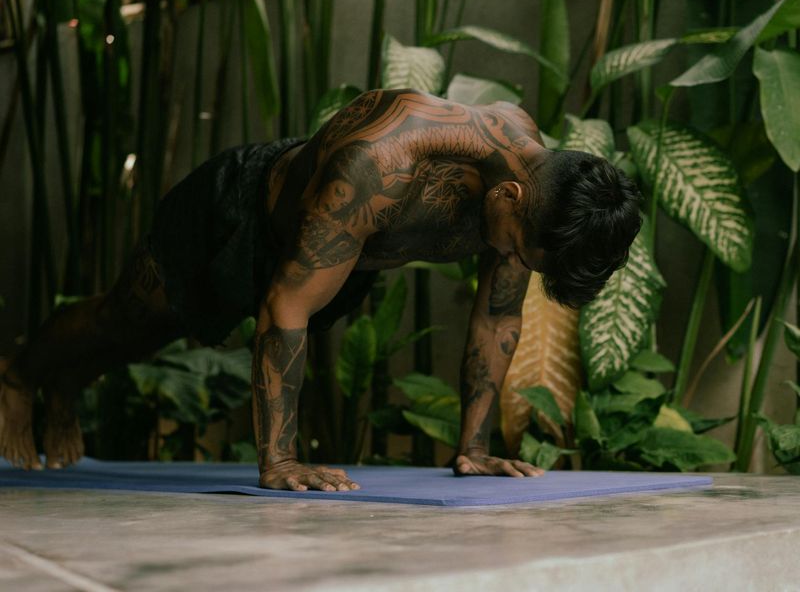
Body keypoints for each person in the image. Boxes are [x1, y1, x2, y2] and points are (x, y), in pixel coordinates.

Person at [0, 89, 641, 490]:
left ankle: (67, 383)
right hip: (236, 214)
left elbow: (497, 316)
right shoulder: (385, 161)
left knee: (146, 338)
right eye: (515, 247)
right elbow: (286, 304)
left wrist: (473, 449)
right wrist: (278, 461)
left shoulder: (537, 199)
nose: (508, 260)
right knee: (127, 322)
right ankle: (22, 375)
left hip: (336, 253)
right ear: (509, 196)